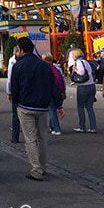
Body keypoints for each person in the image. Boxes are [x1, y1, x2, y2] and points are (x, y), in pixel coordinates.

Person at [9, 37, 64, 181]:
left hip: (25, 106)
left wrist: (15, 101)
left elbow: (14, 88)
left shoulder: (18, 66)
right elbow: (53, 86)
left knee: (30, 139)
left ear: (20, 50)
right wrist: (58, 105)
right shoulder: (44, 65)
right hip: (42, 106)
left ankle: (36, 170)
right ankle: (43, 166)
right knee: (42, 138)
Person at [69, 48, 97, 133]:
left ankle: (82, 126)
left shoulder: (78, 62)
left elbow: (81, 72)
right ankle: (93, 127)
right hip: (91, 85)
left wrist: (75, 70)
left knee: (80, 107)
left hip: (83, 86)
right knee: (89, 107)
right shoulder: (86, 62)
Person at [42, 53, 66, 136]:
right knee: (53, 108)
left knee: (51, 109)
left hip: (50, 90)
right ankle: (51, 126)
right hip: (58, 90)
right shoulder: (57, 67)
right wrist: (63, 91)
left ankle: (56, 128)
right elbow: (62, 79)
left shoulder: (45, 68)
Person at [5, 44, 22, 143]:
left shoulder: (12, 61)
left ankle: (15, 136)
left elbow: (10, 77)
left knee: (15, 115)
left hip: (16, 91)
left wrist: (9, 91)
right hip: (27, 91)